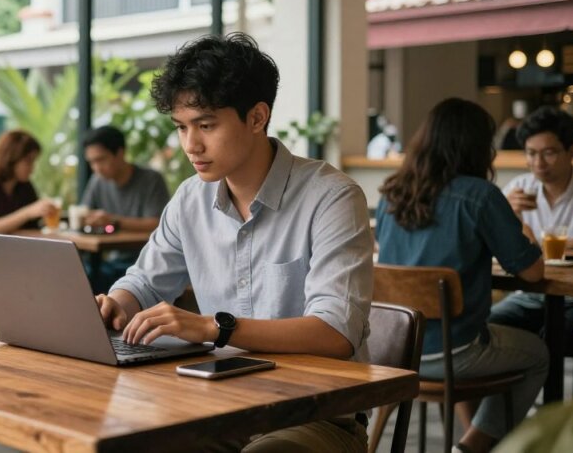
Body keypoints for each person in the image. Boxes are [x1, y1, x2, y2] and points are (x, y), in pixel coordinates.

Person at [95, 33, 374, 453]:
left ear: (257, 117)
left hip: (311, 414)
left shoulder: (332, 196)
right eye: (182, 128)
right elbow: (145, 283)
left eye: (206, 125)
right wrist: (117, 303)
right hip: (216, 405)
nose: (191, 145)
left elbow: (336, 332)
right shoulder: (191, 198)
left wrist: (213, 327)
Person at [376, 98, 548, 453]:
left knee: (499, 332)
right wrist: (522, 229)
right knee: (539, 353)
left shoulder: (391, 195)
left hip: (395, 351)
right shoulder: (481, 196)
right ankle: (476, 443)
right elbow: (532, 272)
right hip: (454, 353)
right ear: (476, 146)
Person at [490, 106, 573, 345]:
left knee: (553, 335)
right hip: (531, 295)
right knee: (490, 326)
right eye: (531, 153)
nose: (538, 163)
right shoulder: (519, 188)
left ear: (571, 151)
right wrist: (508, 216)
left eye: (549, 153)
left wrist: (545, 247)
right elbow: (498, 243)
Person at [80, 125, 169, 291]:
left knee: (93, 279)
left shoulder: (151, 180)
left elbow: (157, 224)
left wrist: (113, 221)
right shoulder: (98, 181)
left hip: (145, 263)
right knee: (79, 274)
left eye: (101, 159)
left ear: (120, 153)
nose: (96, 167)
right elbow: (86, 213)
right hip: (112, 260)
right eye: (91, 162)